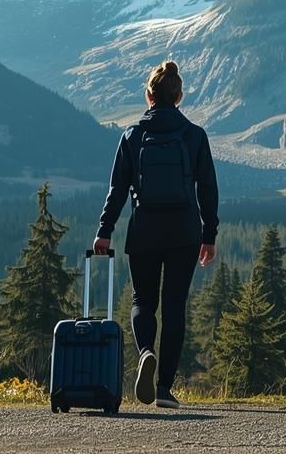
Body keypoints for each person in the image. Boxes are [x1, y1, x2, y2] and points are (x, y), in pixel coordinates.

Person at [94, 60, 219, 409]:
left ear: (148, 95)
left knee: (142, 302)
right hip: (184, 231)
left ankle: (146, 351)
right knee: (174, 307)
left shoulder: (133, 136)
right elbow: (208, 188)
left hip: (145, 229)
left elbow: (117, 189)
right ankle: (164, 388)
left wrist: (105, 231)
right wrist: (209, 234)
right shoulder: (194, 136)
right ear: (178, 97)